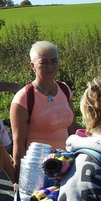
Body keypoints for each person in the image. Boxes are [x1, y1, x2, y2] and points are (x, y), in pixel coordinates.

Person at [10, 41, 78, 176]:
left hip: (66, 164)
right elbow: (18, 143)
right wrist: (20, 177)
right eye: (44, 62)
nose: (50, 66)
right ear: (32, 66)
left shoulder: (64, 89)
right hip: (38, 170)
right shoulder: (23, 98)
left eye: (54, 61)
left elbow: (73, 129)